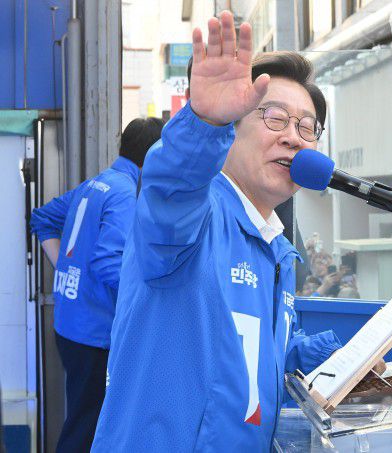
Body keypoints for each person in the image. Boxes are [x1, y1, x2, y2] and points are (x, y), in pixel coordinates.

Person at [91, 13, 347, 451]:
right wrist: (203, 124)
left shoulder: (274, 246)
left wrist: (335, 354)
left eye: (307, 127)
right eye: (275, 117)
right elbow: (171, 188)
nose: (294, 138)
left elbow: (248, 353)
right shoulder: (194, 216)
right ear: (231, 126)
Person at [29, 117, 164, 452]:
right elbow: (108, 263)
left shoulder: (97, 183)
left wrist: (65, 268)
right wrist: (148, 304)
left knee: (82, 419)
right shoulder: (125, 194)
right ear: (153, 157)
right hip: (93, 333)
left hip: (70, 324)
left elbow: (42, 217)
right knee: (86, 430)